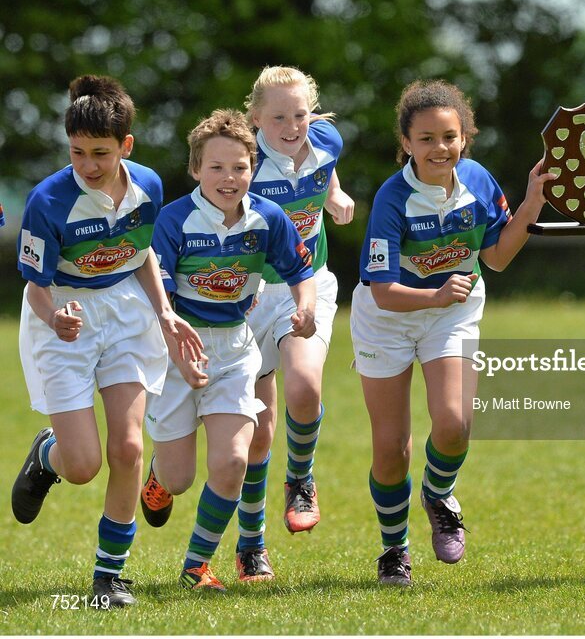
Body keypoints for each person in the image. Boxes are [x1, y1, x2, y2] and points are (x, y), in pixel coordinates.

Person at [351, 79, 552, 586]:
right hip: (388, 318)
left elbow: (497, 258)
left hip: (451, 313)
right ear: (406, 144)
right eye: (426, 139)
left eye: (449, 137)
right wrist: (436, 294)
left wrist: (531, 203)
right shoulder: (393, 198)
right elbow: (383, 291)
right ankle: (394, 551)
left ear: (465, 137)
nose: (439, 148)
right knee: (391, 449)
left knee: (456, 423)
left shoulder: (479, 181)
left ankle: (439, 493)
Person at [12, 75, 202, 609]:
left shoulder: (147, 186)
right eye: (77, 152)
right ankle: (46, 456)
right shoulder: (48, 200)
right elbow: (35, 286)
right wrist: (56, 321)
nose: (88, 165)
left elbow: (140, 252)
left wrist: (164, 312)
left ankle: (110, 576)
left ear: (126, 146)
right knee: (82, 466)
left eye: (100, 152)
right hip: (64, 316)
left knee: (129, 446)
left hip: (126, 314)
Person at [141, 109, 316, 591]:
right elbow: (163, 300)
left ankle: (195, 566)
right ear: (196, 169)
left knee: (234, 461)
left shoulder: (268, 217)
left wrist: (305, 309)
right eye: (216, 167)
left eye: (239, 167)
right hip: (178, 348)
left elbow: (302, 271)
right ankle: (157, 477)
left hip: (237, 351)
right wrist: (180, 354)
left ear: (253, 170)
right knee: (178, 479)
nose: (229, 177)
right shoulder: (173, 220)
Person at [238, 67, 352, 575]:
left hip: (308, 282)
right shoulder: (246, 161)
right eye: (278, 116)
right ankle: (250, 546)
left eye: (300, 114)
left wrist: (334, 194)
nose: (292, 126)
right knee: (256, 433)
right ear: (256, 118)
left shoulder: (327, 138)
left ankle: (301, 480)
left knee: (305, 384)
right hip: (245, 296)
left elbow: (323, 167)